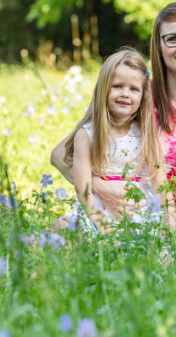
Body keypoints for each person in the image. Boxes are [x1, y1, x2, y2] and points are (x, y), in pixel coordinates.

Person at [51, 2, 176, 221]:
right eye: (173, 39)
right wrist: (99, 187)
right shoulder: (136, 94)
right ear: (158, 47)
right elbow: (60, 154)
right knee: (62, 230)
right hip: (126, 213)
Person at [57, 48, 166, 234]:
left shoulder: (146, 134)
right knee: (68, 230)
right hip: (98, 211)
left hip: (136, 211)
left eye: (134, 89)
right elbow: (83, 191)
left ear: (143, 96)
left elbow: (160, 184)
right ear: (103, 88)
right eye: (117, 86)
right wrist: (105, 230)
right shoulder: (87, 135)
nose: (125, 93)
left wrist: (167, 226)